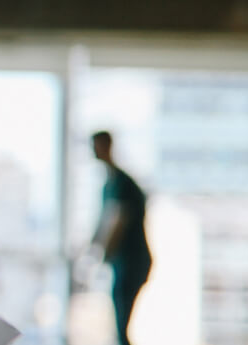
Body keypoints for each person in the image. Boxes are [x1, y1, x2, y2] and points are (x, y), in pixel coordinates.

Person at [90, 131, 152, 345]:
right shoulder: (109, 184)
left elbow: (118, 223)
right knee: (120, 326)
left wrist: (101, 257)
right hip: (123, 262)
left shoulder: (122, 183)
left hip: (132, 262)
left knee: (121, 325)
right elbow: (103, 223)